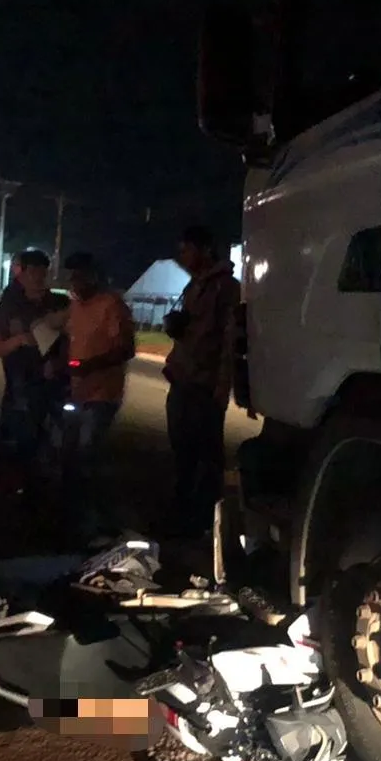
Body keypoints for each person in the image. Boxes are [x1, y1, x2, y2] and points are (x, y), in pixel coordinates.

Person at [163, 225, 241, 537]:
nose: (182, 256)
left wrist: (222, 387)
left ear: (206, 250)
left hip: (204, 383)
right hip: (183, 378)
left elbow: (229, 341)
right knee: (182, 452)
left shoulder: (225, 287)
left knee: (207, 457)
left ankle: (208, 523)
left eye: (187, 250)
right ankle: (183, 515)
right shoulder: (195, 285)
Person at [62, 251, 136, 544]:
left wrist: (91, 365)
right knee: (70, 456)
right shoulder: (74, 307)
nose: (75, 281)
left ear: (94, 275)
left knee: (87, 453)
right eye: (72, 276)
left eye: (80, 275)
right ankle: (73, 516)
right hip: (75, 393)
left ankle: (100, 521)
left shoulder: (112, 305)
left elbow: (125, 348)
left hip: (101, 394)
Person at [0, 249, 70, 471]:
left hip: (55, 386)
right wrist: (20, 340)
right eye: (32, 271)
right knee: (18, 447)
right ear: (21, 273)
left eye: (42, 272)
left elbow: (74, 341)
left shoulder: (60, 303)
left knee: (58, 447)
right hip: (20, 389)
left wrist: (58, 362)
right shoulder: (9, 306)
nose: (37, 277)